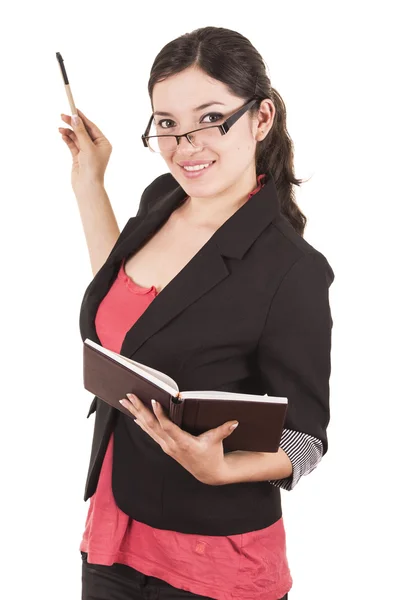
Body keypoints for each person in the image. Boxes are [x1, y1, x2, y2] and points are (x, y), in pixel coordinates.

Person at [59, 25, 334, 600]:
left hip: (213, 562)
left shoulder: (293, 270)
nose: (187, 147)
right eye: (167, 125)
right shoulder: (161, 199)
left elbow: (305, 441)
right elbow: (133, 310)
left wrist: (223, 468)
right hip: (114, 529)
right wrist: (89, 179)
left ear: (260, 119)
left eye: (211, 119)